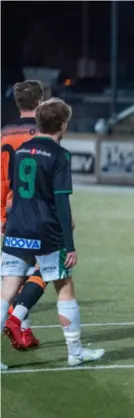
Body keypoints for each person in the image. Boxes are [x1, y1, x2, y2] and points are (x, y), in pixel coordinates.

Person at [1, 98, 105, 371]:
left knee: (6, 293)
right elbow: (61, 201)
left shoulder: (23, 149)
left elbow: (16, 191)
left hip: (16, 229)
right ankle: (75, 352)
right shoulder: (60, 155)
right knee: (65, 288)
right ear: (61, 124)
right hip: (46, 231)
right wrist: (69, 245)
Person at [1, 80, 46, 350]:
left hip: (11, 211)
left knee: (16, 273)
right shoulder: (44, 132)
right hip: (39, 212)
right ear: (40, 101)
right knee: (52, 267)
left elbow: (0, 180)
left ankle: (24, 330)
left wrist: (1, 216)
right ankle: (18, 320)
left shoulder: (4, 134)